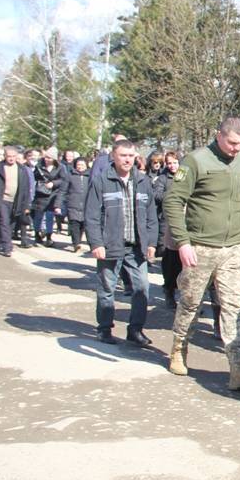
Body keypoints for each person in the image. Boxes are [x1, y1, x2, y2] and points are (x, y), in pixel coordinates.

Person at [163, 117, 240, 391]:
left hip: (233, 249)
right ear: (218, 136)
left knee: (234, 307)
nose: (236, 148)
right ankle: (178, 350)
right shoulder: (196, 161)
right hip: (200, 247)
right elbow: (173, 201)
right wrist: (182, 242)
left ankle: (238, 368)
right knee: (191, 303)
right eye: (232, 143)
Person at [84, 140, 158, 345]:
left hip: (137, 247)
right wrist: (96, 243)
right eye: (123, 155)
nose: (127, 159)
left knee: (142, 288)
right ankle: (104, 329)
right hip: (110, 245)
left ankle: (135, 330)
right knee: (107, 289)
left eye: (131, 156)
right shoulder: (101, 181)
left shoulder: (143, 181)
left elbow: (151, 215)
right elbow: (91, 215)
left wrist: (152, 242)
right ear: (114, 157)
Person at [0, 146, 32, 257]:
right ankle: (7, 247)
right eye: (9, 156)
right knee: (4, 222)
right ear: (5, 156)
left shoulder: (22, 169)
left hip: (16, 202)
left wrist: (27, 204)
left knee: (10, 224)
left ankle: (1, 242)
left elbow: (26, 188)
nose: (11, 158)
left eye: (13, 156)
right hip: (2, 200)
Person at [154, 151, 181, 308]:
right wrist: (173, 194)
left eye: (175, 162)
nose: (172, 166)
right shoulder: (163, 178)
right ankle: (169, 291)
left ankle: (187, 300)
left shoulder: (185, 176)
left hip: (184, 221)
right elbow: (157, 196)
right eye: (169, 163)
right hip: (167, 221)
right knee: (169, 262)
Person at [32, 147, 64, 247]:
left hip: (52, 195)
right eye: (46, 157)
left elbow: (63, 180)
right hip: (40, 194)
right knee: (38, 216)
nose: (47, 159)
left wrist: (53, 183)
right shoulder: (39, 165)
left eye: (49, 158)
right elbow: (34, 177)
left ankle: (49, 236)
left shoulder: (60, 167)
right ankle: (37, 234)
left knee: (50, 216)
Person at [59, 157, 91, 252]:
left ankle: (79, 240)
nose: (80, 167)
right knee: (74, 224)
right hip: (73, 204)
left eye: (82, 165)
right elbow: (62, 191)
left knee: (82, 225)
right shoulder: (70, 176)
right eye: (78, 165)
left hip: (86, 205)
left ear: (86, 165)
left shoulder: (90, 176)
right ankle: (76, 243)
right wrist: (58, 204)